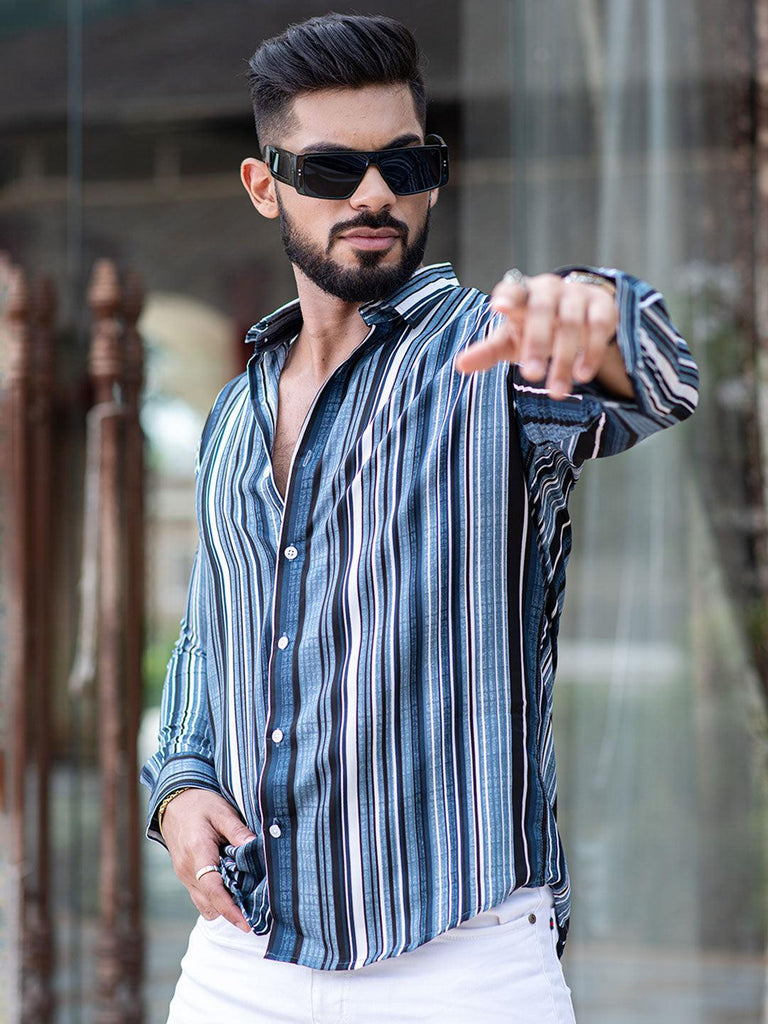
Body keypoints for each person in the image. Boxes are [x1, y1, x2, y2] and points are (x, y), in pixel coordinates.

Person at [141, 13, 699, 1023]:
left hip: (462, 964)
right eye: (332, 169)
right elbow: (208, 633)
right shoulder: (233, 411)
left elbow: (655, 379)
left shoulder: (494, 353)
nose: (373, 194)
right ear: (264, 185)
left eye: (404, 163)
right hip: (241, 957)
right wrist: (179, 784)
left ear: (433, 177)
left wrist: (601, 316)